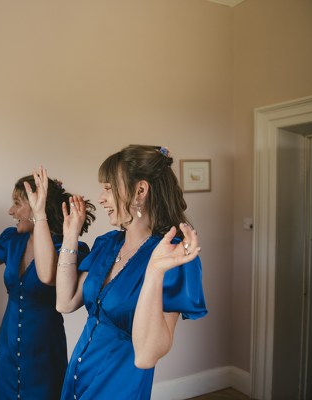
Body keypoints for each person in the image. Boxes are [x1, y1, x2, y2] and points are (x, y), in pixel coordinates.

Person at [56, 145, 207, 399]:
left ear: (140, 190)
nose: (101, 198)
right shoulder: (107, 244)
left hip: (118, 387)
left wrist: (155, 272)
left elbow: (147, 355)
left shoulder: (173, 257)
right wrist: (70, 236)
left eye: (107, 188)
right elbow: (65, 301)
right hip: (78, 374)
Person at [0, 166, 95, 400]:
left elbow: (50, 276)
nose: (10, 210)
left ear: (37, 205)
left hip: (44, 348)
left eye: (17, 203)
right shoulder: (13, 240)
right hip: (8, 346)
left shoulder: (70, 249)